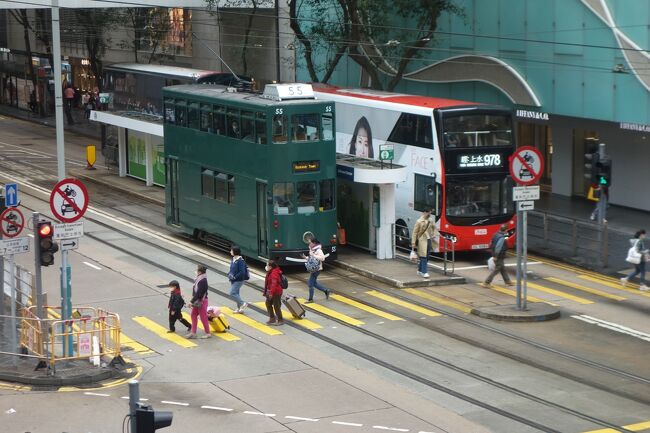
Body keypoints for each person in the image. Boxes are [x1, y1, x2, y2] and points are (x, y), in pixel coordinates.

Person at [411, 208, 439, 278]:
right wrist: (413, 242)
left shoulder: (430, 220)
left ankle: (420, 270)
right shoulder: (419, 221)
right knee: (423, 256)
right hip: (422, 240)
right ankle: (424, 272)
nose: (429, 214)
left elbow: (434, 227)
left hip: (429, 239)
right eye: (428, 213)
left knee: (427, 256)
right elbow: (414, 232)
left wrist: (434, 234)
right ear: (424, 212)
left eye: (430, 213)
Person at [302, 238, 330, 303]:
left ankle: (310, 299)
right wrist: (305, 257)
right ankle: (326, 290)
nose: (309, 244)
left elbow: (322, 258)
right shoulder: (312, 250)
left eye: (310, 243)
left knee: (310, 284)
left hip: (317, 269)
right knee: (314, 283)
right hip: (314, 269)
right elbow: (311, 258)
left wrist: (314, 255)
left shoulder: (318, 250)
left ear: (314, 243)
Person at [187, 264, 211, 339]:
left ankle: (208, 333)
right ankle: (193, 332)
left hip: (202, 302)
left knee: (203, 317)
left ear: (200, 272)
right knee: (193, 315)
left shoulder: (203, 280)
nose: (195, 271)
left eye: (197, 270)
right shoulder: (199, 278)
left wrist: (191, 301)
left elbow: (199, 293)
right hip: (197, 301)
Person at [228, 245, 249, 313]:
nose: (230, 251)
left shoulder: (240, 261)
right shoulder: (234, 259)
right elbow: (232, 269)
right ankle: (240, 308)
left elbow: (242, 272)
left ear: (235, 252)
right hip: (233, 279)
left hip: (239, 280)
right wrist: (229, 274)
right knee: (236, 293)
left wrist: (235, 277)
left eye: (231, 250)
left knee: (232, 293)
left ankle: (243, 303)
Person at [264, 259, 284, 325]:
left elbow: (274, 284)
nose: (266, 266)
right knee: (268, 303)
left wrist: (271, 293)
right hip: (272, 291)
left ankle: (280, 320)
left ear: (270, 267)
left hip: (276, 292)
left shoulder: (274, 273)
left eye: (267, 265)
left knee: (276, 306)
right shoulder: (271, 271)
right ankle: (272, 318)